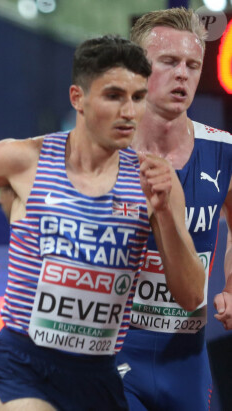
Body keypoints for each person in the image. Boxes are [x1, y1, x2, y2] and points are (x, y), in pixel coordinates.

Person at [0, 35, 205, 411]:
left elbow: (190, 297)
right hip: (22, 362)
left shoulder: (155, 179)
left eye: (138, 97)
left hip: (99, 372)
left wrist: (166, 216)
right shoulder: (25, 158)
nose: (129, 111)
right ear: (78, 98)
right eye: (113, 96)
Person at [114, 8, 232, 411]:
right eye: (168, 62)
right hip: (113, 350)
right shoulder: (103, 150)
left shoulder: (224, 149)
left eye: (192, 65)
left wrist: (231, 285)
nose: (183, 74)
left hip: (186, 358)